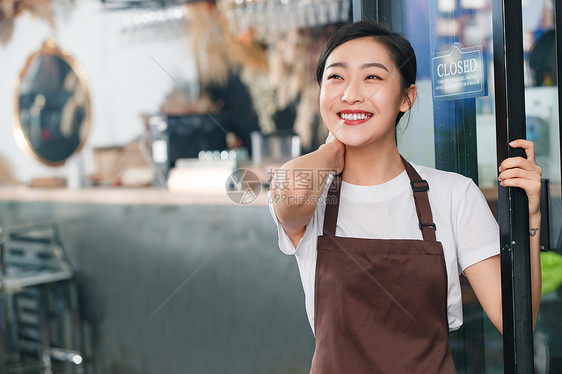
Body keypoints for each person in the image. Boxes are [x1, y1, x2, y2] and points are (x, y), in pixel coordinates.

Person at [268, 20, 542, 373]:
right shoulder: (315, 199)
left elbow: (516, 319)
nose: (351, 94)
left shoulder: (454, 194)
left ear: (406, 98)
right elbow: (289, 192)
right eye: (336, 77)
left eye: (372, 77)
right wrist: (333, 149)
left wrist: (531, 220)